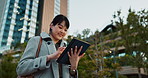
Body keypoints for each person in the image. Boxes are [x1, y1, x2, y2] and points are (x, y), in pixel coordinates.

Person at [16, 14, 85, 78]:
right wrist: (49, 57)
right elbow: (21, 69)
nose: (62, 31)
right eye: (60, 27)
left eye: (65, 30)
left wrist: (73, 67)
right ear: (51, 25)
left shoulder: (66, 48)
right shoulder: (36, 40)